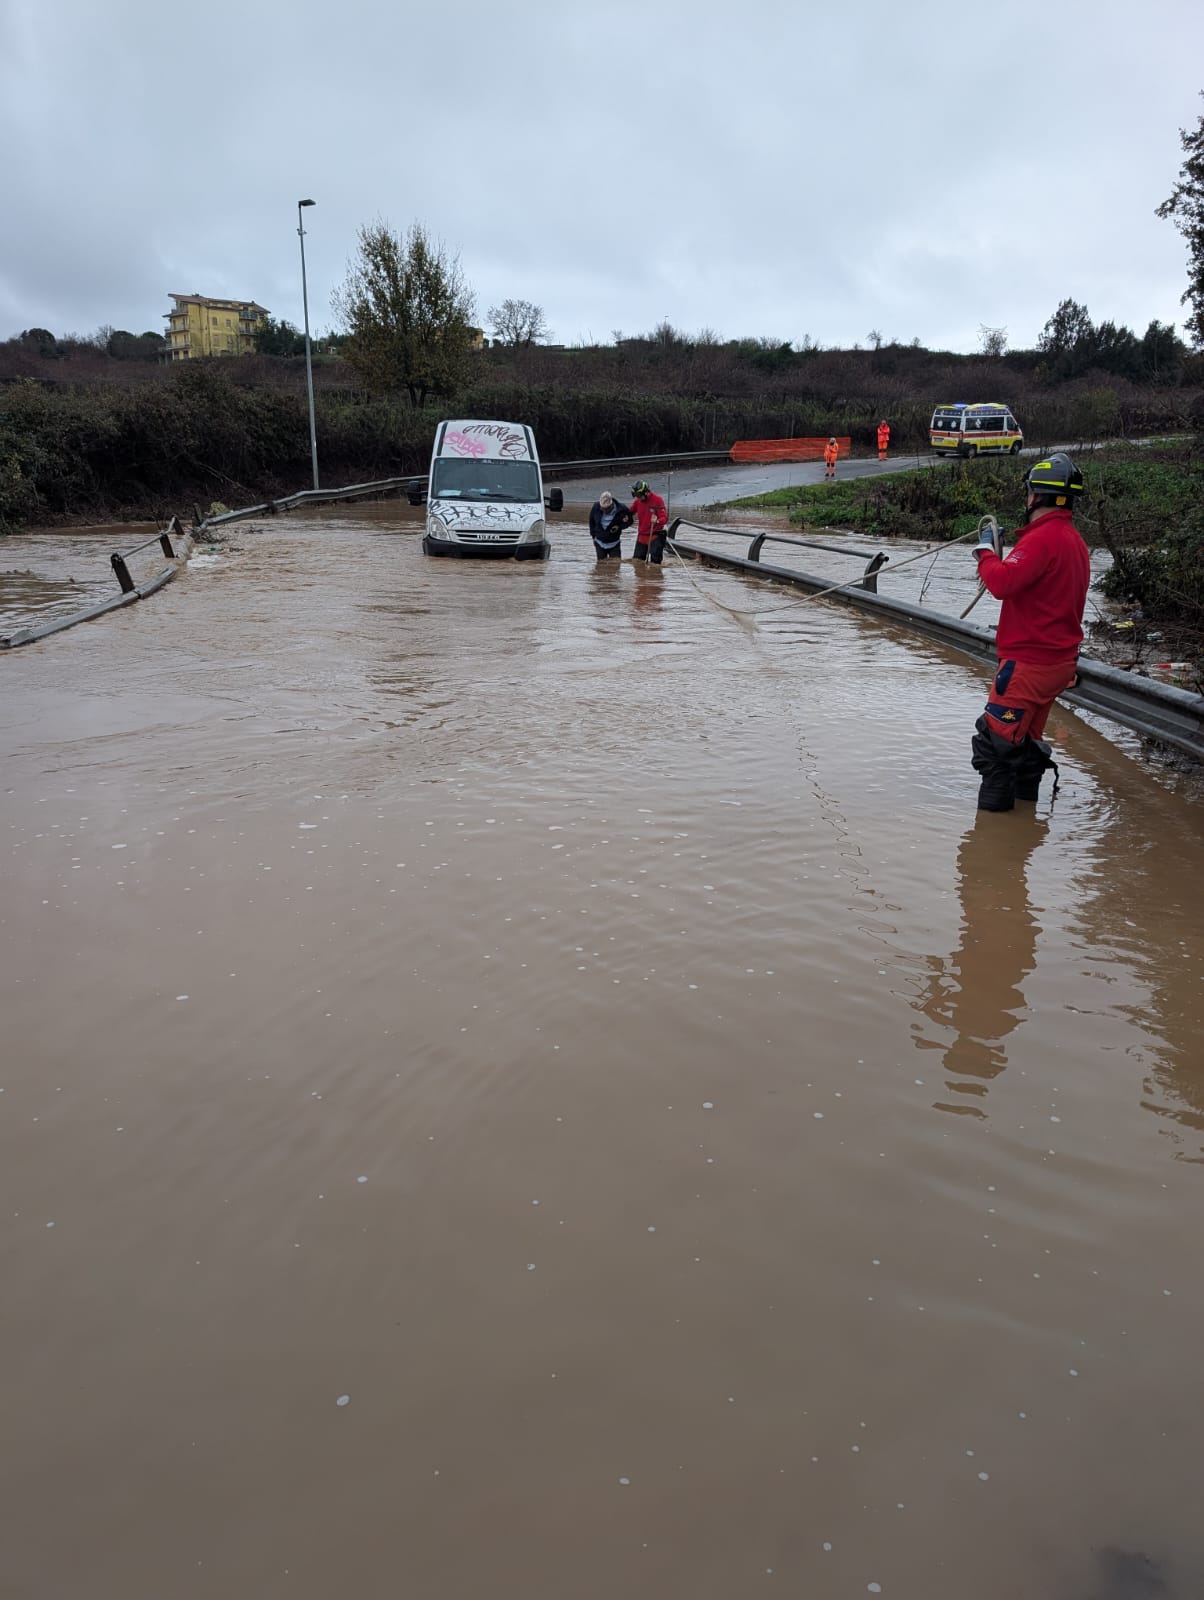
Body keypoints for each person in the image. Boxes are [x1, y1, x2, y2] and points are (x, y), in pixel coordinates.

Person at [970, 452, 1091, 812]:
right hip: (1057, 666)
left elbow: (1002, 583)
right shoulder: (1074, 541)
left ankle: (991, 841)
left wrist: (985, 552)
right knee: (1026, 746)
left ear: (1035, 495)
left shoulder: (1042, 539)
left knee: (996, 750)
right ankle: (1024, 828)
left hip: (1027, 667)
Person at [629, 479, 669, 563]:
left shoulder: (658, 500)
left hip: (655, 535)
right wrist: (624, 516)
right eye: (636, 495)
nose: (638, 498)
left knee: (655, 563)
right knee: (637, 562)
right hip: (642, 536)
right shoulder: (637, 501)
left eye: (639, 495)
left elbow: (664, 518)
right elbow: (629, 512)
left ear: (646, 492)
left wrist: (657, 521)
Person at [588, 490, 633, 560]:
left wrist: (619, 526)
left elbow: (630, 521)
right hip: (599, 543)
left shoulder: (622, 509)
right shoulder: (596, 507)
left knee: (616, 564)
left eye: (606, 509)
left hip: (614, 544)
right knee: (601, 565)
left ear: (611, 505)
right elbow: (591, 522)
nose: (604, 511)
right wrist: (593, 537)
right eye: (602, 508)